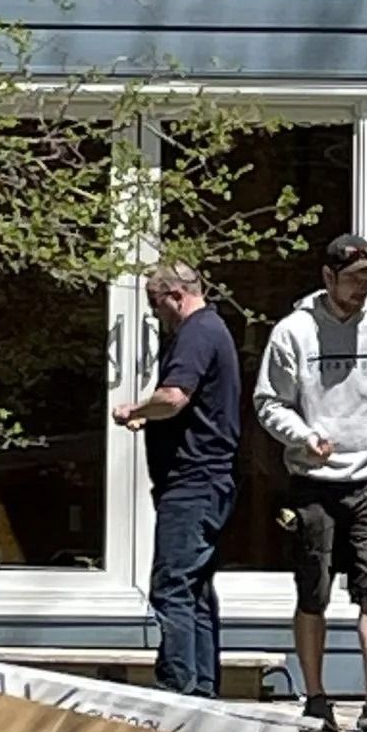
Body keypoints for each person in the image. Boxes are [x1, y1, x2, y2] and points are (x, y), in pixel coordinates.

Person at [254, 232, 367, 732]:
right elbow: (269, 403)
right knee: (314, 589)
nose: (362, 287)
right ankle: (316, 695)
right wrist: (303, 436)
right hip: (312, 477)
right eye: (353, 279)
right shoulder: (293, 332)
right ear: (328, 278)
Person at [114, 261, 240, 698]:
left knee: (171, 586)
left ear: (175, 295)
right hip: (209, 481)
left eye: (155, 304)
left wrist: (135, 411)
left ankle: (177, 690)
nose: (154, 315)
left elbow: (173, 397)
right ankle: (203, 688)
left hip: (193, 483)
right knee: (196, 588)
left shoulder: (197, 333)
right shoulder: (213, 330)